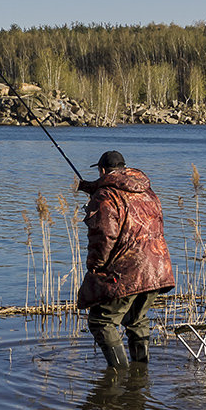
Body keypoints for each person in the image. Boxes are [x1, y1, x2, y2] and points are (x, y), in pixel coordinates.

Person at [76, 150, 174, 367]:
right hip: (158, 268)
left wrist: (96, 266)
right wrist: (93, 190)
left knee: (101, 321)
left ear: (102, 170)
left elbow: (104, 236)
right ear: (124, 168)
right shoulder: (148, 192)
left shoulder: (106, 196)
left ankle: (119, 373)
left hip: (129, 269)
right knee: (136, 319)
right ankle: (140, 372)